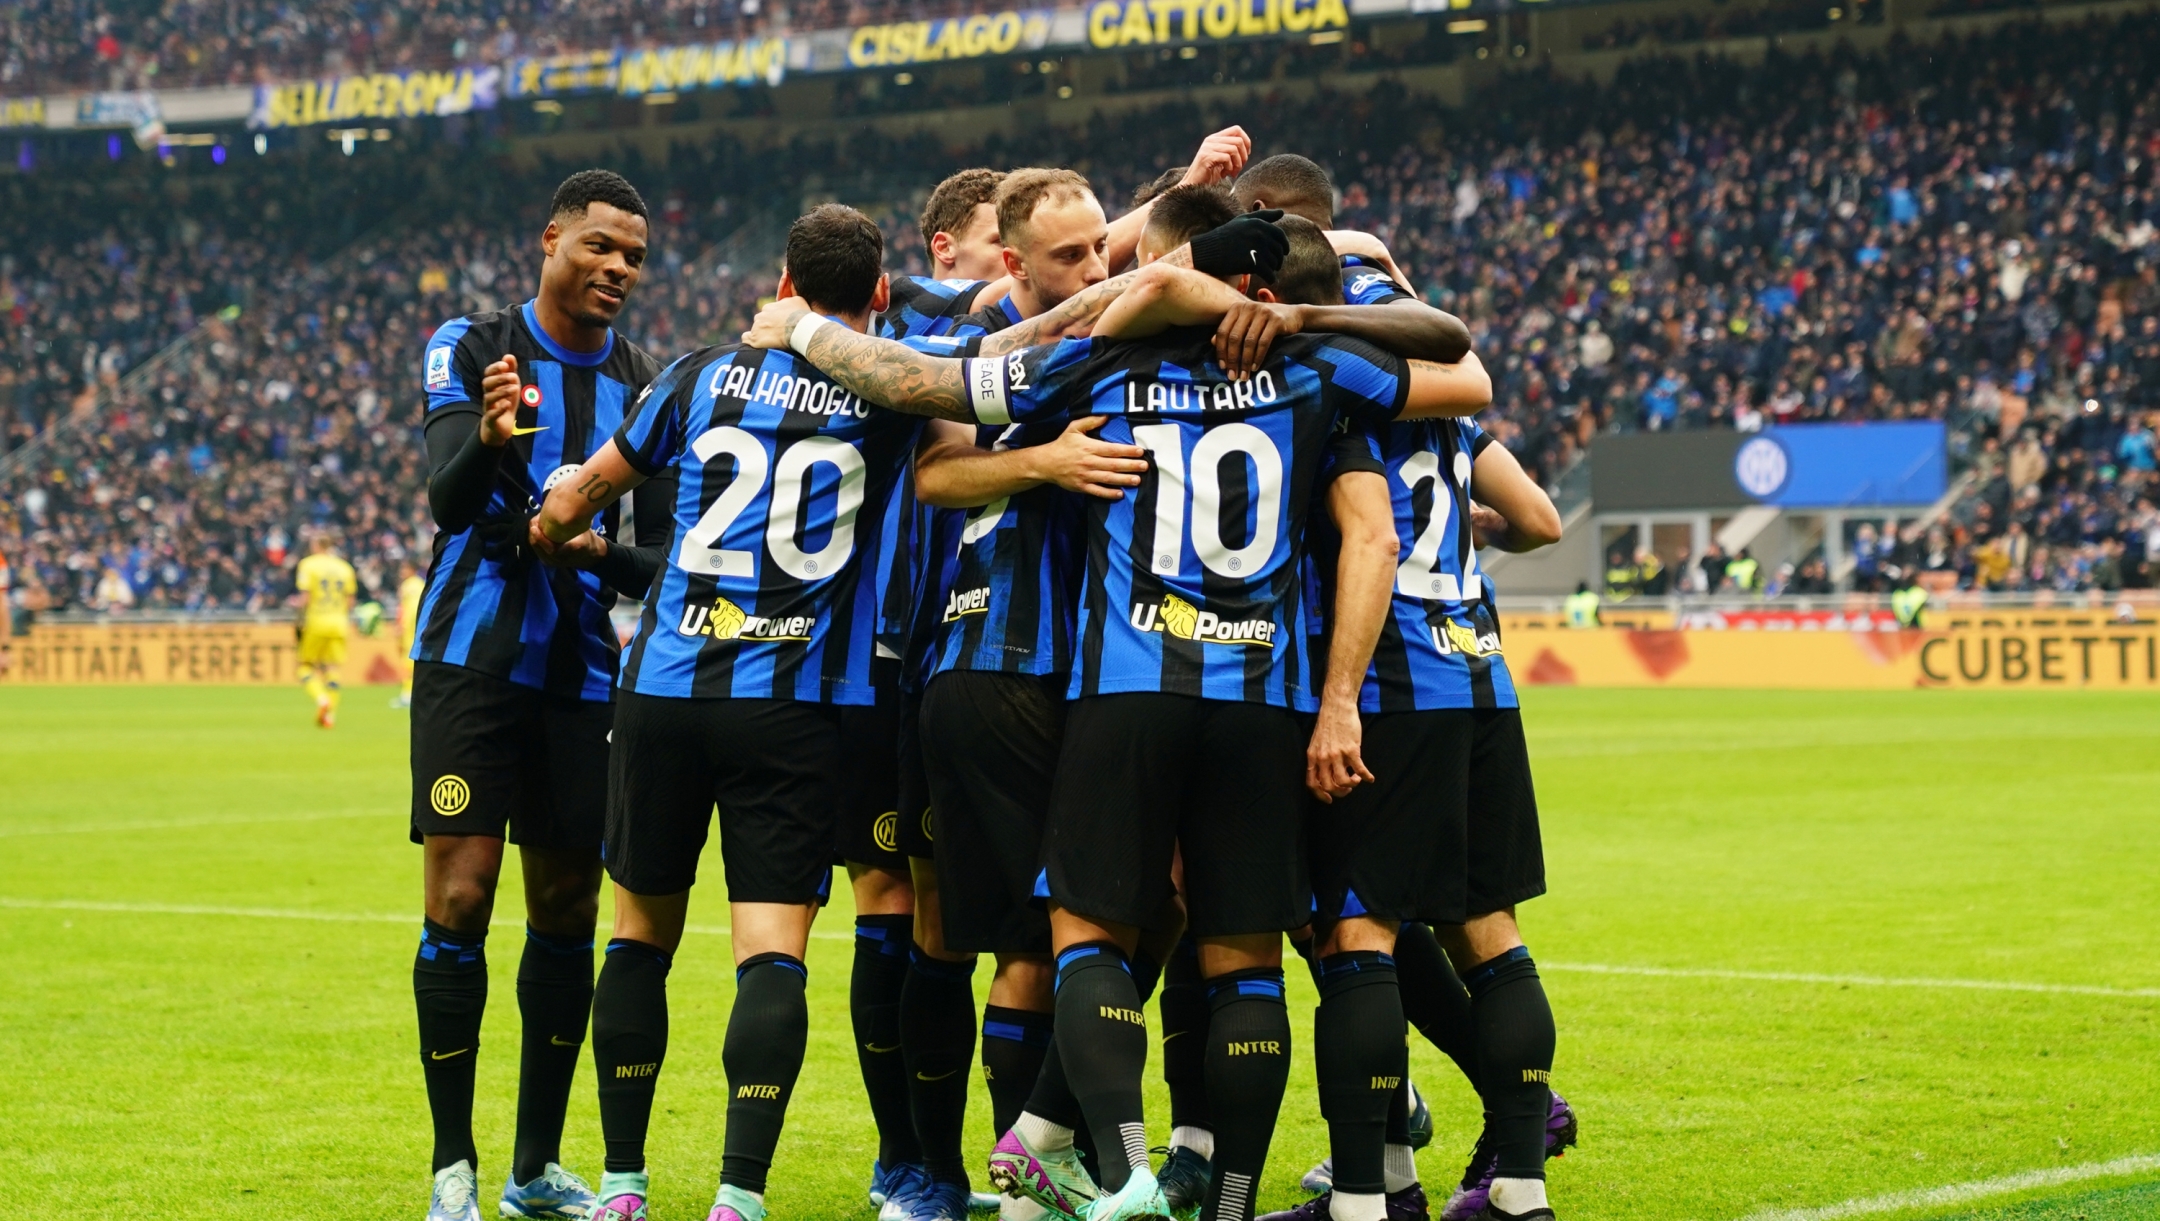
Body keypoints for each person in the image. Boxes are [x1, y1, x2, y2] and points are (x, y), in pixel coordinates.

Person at [745, 214, 1494, 1221]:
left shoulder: (1102, 366)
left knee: (1085, 933)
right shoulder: (1324, 367)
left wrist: (801, 330)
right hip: (1262, 699)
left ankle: (1119, 1165)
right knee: (1246, 963)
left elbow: (944, 402)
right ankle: (1224, 1203)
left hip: (1125, 685)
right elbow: (1450, 349)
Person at [532, 204, 1037, 1221]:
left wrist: (555, 519)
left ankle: (624, 1186)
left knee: (638, 936)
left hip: (666, 691)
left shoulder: (694, 373)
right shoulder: (883, 384)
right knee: (773, 950)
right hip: (796, 708)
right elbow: (978, 374)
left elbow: (583, 497)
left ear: (783, 281)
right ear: (879, 294)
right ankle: (737, 1195)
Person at [408, 168, 669, 1221]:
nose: (617, 269)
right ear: (551, 239)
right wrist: (490, 437)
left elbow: (653, 560)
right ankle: (451, 1170)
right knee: (461, 898)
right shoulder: (471, 348)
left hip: (579, 676)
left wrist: (578, 536)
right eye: (601, 246)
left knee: (564, 906)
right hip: (472, 659)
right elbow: (445, 500)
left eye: (636, 258)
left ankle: (532, 1168)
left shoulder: (645, 382)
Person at [1270, 390, 1569, 1221]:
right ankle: (1516, 1188)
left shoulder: (1336, 406)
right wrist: (1475, 527)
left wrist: (1337, 699)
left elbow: (1375, 536)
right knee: (1487, 928)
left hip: (1393, 690)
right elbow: (1542, 520)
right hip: (1481, 677)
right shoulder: (1455, 419)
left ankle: (1367, 1197)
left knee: (1353, 932)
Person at [294, 530, 361, 728]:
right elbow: (350, 601)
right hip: (339, 623)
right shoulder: (344, 567)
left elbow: (305, 597)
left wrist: (299, 619)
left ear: (316, 546)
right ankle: (330, 715)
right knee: (332, 668)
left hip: (316, 621)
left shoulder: (308, 564)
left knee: (305, 666)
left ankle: (322, 699)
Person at [393, 562, 426, 709]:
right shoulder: (421, 583)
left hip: (409, 628)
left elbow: (406, 609)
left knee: (408, 662)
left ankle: (407, 695)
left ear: (412, 569)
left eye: (404, 568)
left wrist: (401, 626)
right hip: (419, 627)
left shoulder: (407, 586)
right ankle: (410, 694)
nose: (402, 571)